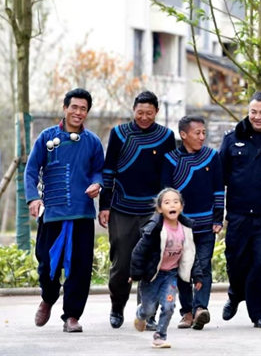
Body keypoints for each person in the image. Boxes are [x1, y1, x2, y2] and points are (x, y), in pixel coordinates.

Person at [25, 88, 104, 332]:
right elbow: (30, 171)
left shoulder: (93, 142)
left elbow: (99, 170)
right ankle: (48, 298)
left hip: (82, 213)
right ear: (65, 108)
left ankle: (72, 316)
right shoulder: (47, 138)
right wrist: (33, 199)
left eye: (83, 109)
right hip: (53, 214)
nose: (78, 112)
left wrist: (97, 183)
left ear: (87, 112)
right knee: (46, 263)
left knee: (81, 268)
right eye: (74, 107)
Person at [99, 91, 176, 329]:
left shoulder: (166, 136)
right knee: (122, 262)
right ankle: (117, 306)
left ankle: (147, 312)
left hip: (152, 210)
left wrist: (166, 209)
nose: (144, 117)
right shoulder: (119, 134)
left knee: (151, 263)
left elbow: (168, 175)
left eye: (149, 113)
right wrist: (104, 205)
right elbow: (109, 170)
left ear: (157, 112)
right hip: (121, 207)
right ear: (133, 110)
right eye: (140, 113)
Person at [219, 92, 261, 329]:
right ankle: (235, 293)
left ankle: (260, 312)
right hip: (238, 215)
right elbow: (220, 178)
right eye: (253, 112)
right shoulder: (231, 139)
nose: (257, 117)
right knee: (235, 262)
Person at [161, 115, 223, 330]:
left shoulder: (212, 157)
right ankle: (186, 311)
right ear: (184, 134)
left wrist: (218, 217)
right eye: (197, 133)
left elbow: (218, 189)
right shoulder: (170, 159)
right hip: (181, 227)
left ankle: (200, 309)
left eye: (204, 133)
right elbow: (166, 193)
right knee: (183, 268)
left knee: (204, 266)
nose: (202, 137)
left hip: (207, 224)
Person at [130, 188, 203, 348]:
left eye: (176, 202)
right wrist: (135, 274)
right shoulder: (155, 228)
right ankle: (141, 314)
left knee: (169, 306)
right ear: (159, 208)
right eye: (167, 202)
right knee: (149, 309)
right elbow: (139, 251)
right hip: (152, 276)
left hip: (170, 275)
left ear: (181, 207)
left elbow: (191, 254)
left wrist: (197, 275)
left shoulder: (185, 229)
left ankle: (160, 336)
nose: (172, 205)